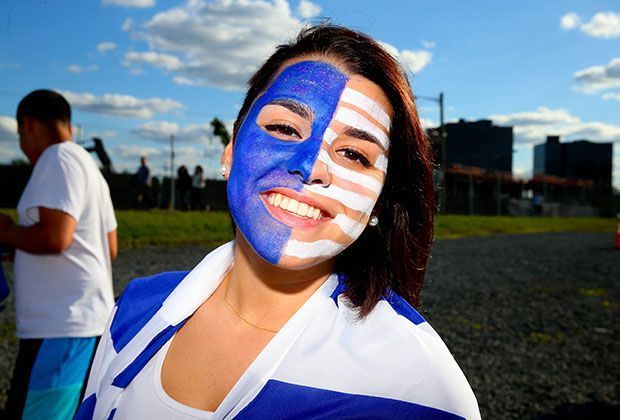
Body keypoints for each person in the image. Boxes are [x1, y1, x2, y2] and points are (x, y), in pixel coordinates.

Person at [78, 25, 480, 419]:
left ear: (378, 202)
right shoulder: (133, 311)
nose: (309, 166)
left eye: (354, 154)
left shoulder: (421, 392)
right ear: (230, 151)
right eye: (285, 128)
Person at [0, 89, 118, 419]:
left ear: (28, 125)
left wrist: (7, 230)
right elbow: (108, 247)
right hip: (81, 323)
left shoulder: (56, 158)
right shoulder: (90, 169)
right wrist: (22, 248)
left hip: (59, 325)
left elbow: (56, 237)